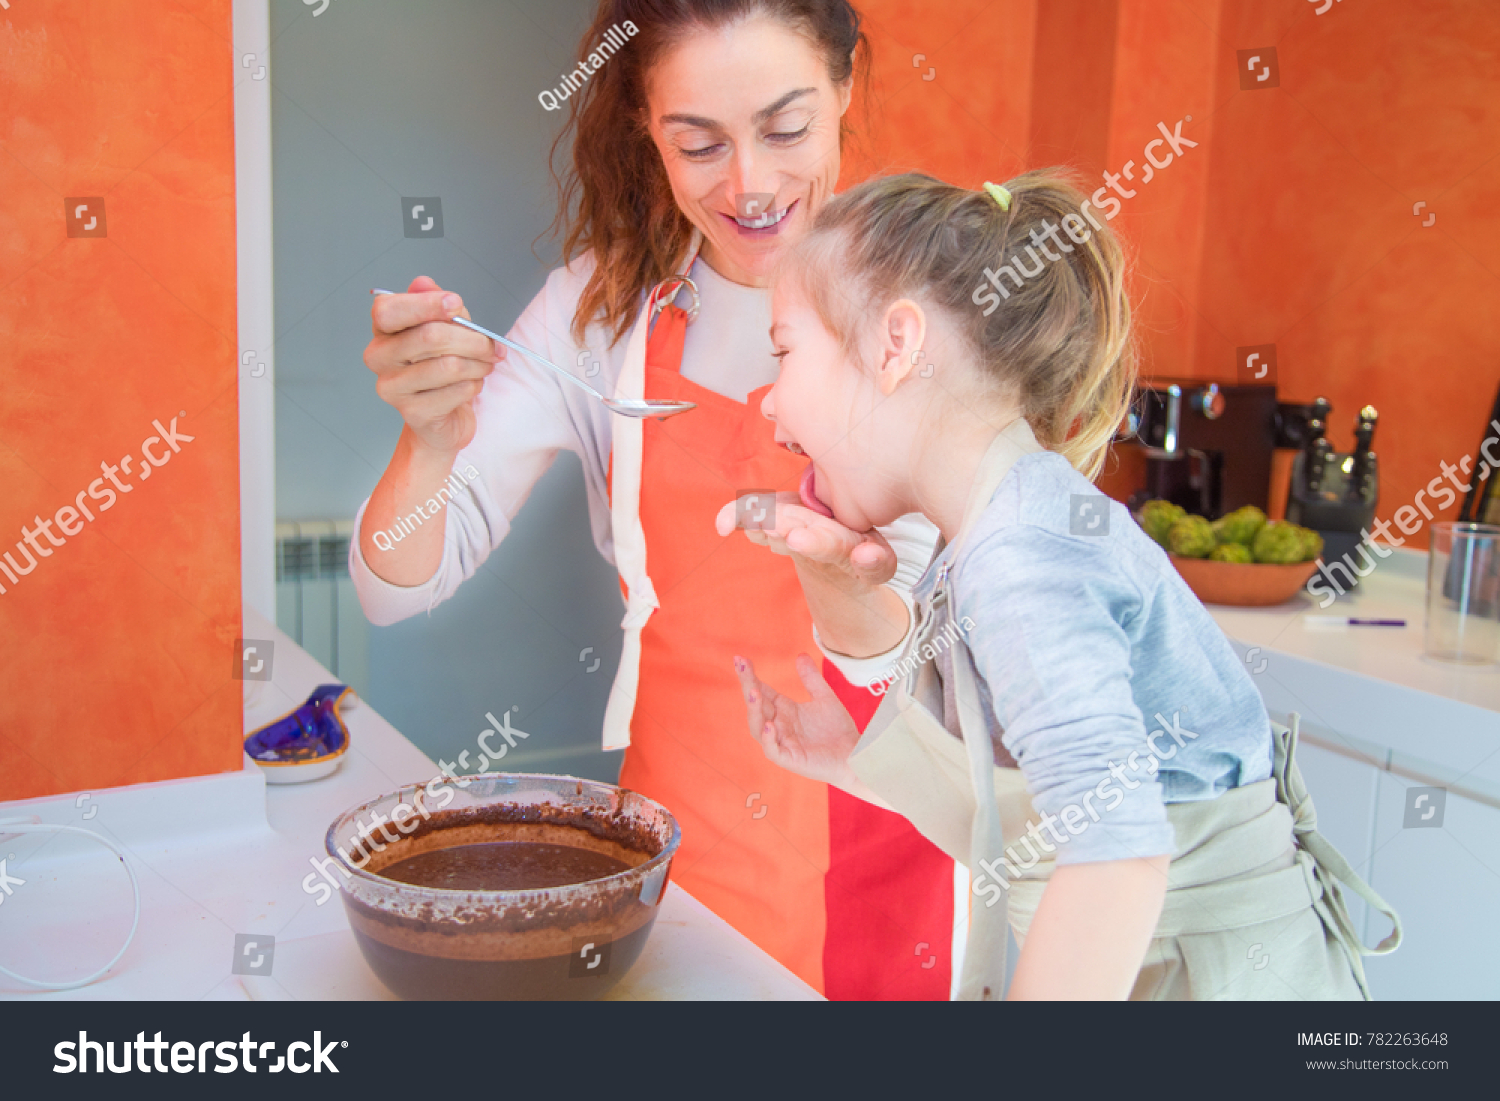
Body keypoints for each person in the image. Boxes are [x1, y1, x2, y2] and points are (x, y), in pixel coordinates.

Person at [351, 0, 956, 998]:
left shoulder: (931, 310)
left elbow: (922, 637)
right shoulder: (601, 317)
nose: (751, 183)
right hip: (675, 849)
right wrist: (427, 442)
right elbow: (395, 590)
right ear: (645, 124)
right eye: (699, 142)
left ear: (846, 87)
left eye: (786, 126)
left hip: (883, 852)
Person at [733, 170, 1402, 999]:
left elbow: (1117, 855)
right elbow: (1056, 813)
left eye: (785, 349)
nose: (766, 402)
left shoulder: (1020, 555)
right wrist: (865, 764)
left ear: (895, 346)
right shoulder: (1000, 528)